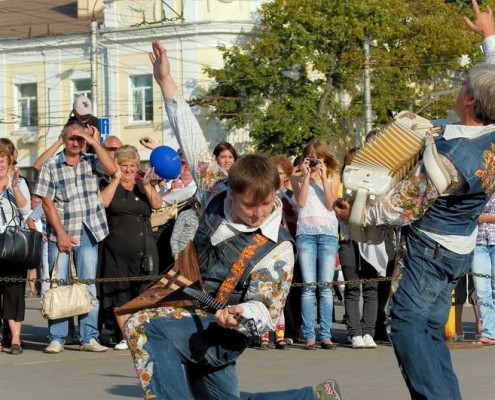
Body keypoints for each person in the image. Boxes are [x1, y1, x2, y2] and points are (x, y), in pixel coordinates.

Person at [123, 39, 342, 400]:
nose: (259, 212)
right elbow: (192, 141)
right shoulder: (215, 187)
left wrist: (240, 313)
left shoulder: (277, 247)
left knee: (144, 327)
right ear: (232, 191)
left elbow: (266, 307)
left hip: (225, 328)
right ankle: (313, 398)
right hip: (188, 307)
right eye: (249, 206)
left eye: (267, 204)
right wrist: (167, 85)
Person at [333, 2, 495, 398]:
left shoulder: (450, 157)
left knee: (405, 323)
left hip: (430, 248)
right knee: (427, 329)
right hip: (458, 246)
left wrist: (356, 212)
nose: (457, 88)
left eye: (462, 85)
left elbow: (404, 205)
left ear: (471, 100)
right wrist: (489, 39)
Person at [34, 119, 117, 354]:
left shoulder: (92, 161)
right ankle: (57, 337)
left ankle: (88, 337)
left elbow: (112, 170)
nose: (76, 142)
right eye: (72, 138)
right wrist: (60, 233)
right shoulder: (52, 165)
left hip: (89, 231)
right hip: (61, 233)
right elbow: (47, 203)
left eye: (80, 138)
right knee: (59, 286)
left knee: (87, 286)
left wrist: (93, 141)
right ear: (63, 138)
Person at [99, 145, 162, 350]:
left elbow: (157, 205)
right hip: (116, 250)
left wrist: (146, 185)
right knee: (120, 294)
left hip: (145, 249)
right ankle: (127, 337)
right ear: (116, 165)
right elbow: (103, 203)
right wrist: (116, 179)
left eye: (132, 165)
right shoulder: (108, 185)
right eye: (123, 165)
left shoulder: (141, 186)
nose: (128, 170)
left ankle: (143, 333)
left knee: (143, 293)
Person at [290, 139, 340, 350]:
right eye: (310, 158)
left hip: (328, 233)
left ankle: (326, 334)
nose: (313, 162)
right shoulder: (296, 177)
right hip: (306, 234)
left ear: (325, 158)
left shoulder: (333, 175)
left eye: (317, 158)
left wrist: (325, 178)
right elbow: (301, 203)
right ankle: (310, 335)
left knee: (326, 287)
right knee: (309, 287)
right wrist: (307, 177)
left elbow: (331, 205)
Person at [0, 145, 32, 355]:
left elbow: (26, 210)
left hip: (13, 244)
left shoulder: (19, 182)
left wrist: (15, 189)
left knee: (14, 292)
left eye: (2, 161)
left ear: (9, 162)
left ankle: (16, 340)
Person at [471, 192, 495, 345]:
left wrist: (484, 217)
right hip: (478, 242)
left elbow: (478, 216)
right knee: (481, 290)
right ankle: (489, 332)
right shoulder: (478, 185)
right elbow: (471, 215)